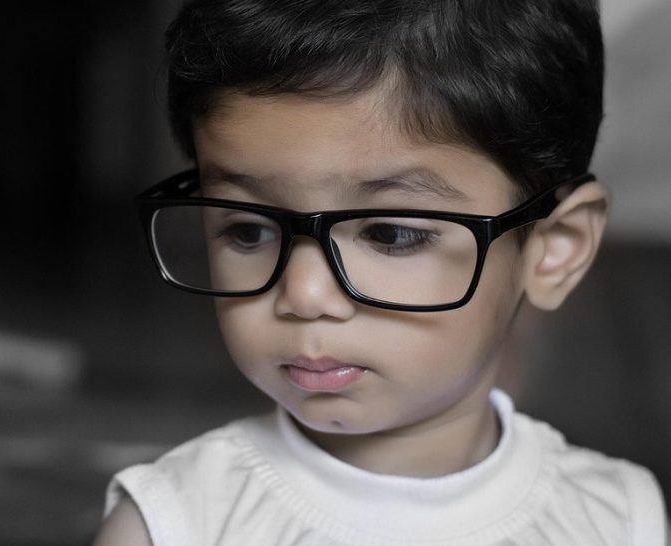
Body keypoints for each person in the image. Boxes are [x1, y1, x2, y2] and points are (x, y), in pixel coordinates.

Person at [95, 0, 667, 544]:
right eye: (249, 230)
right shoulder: (174, 524)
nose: (305, 294)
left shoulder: (619, 519)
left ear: (555, 248)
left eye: (389, 234)